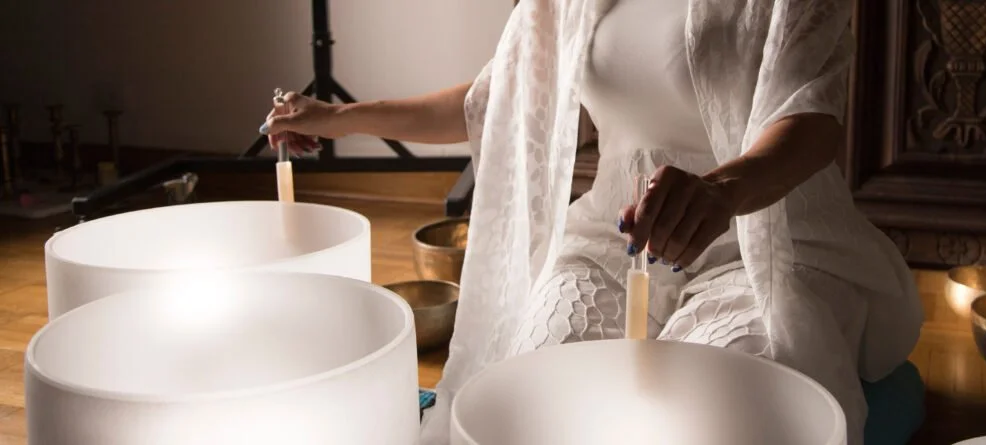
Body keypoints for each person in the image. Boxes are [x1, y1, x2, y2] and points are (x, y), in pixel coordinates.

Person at [261, 0, 924, 443]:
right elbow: (498, 99)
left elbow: (812, 121)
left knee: (714, 414)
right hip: (613, 240)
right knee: (539, 400)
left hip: (764, 243)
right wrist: (341, 118)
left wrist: (721, 191)